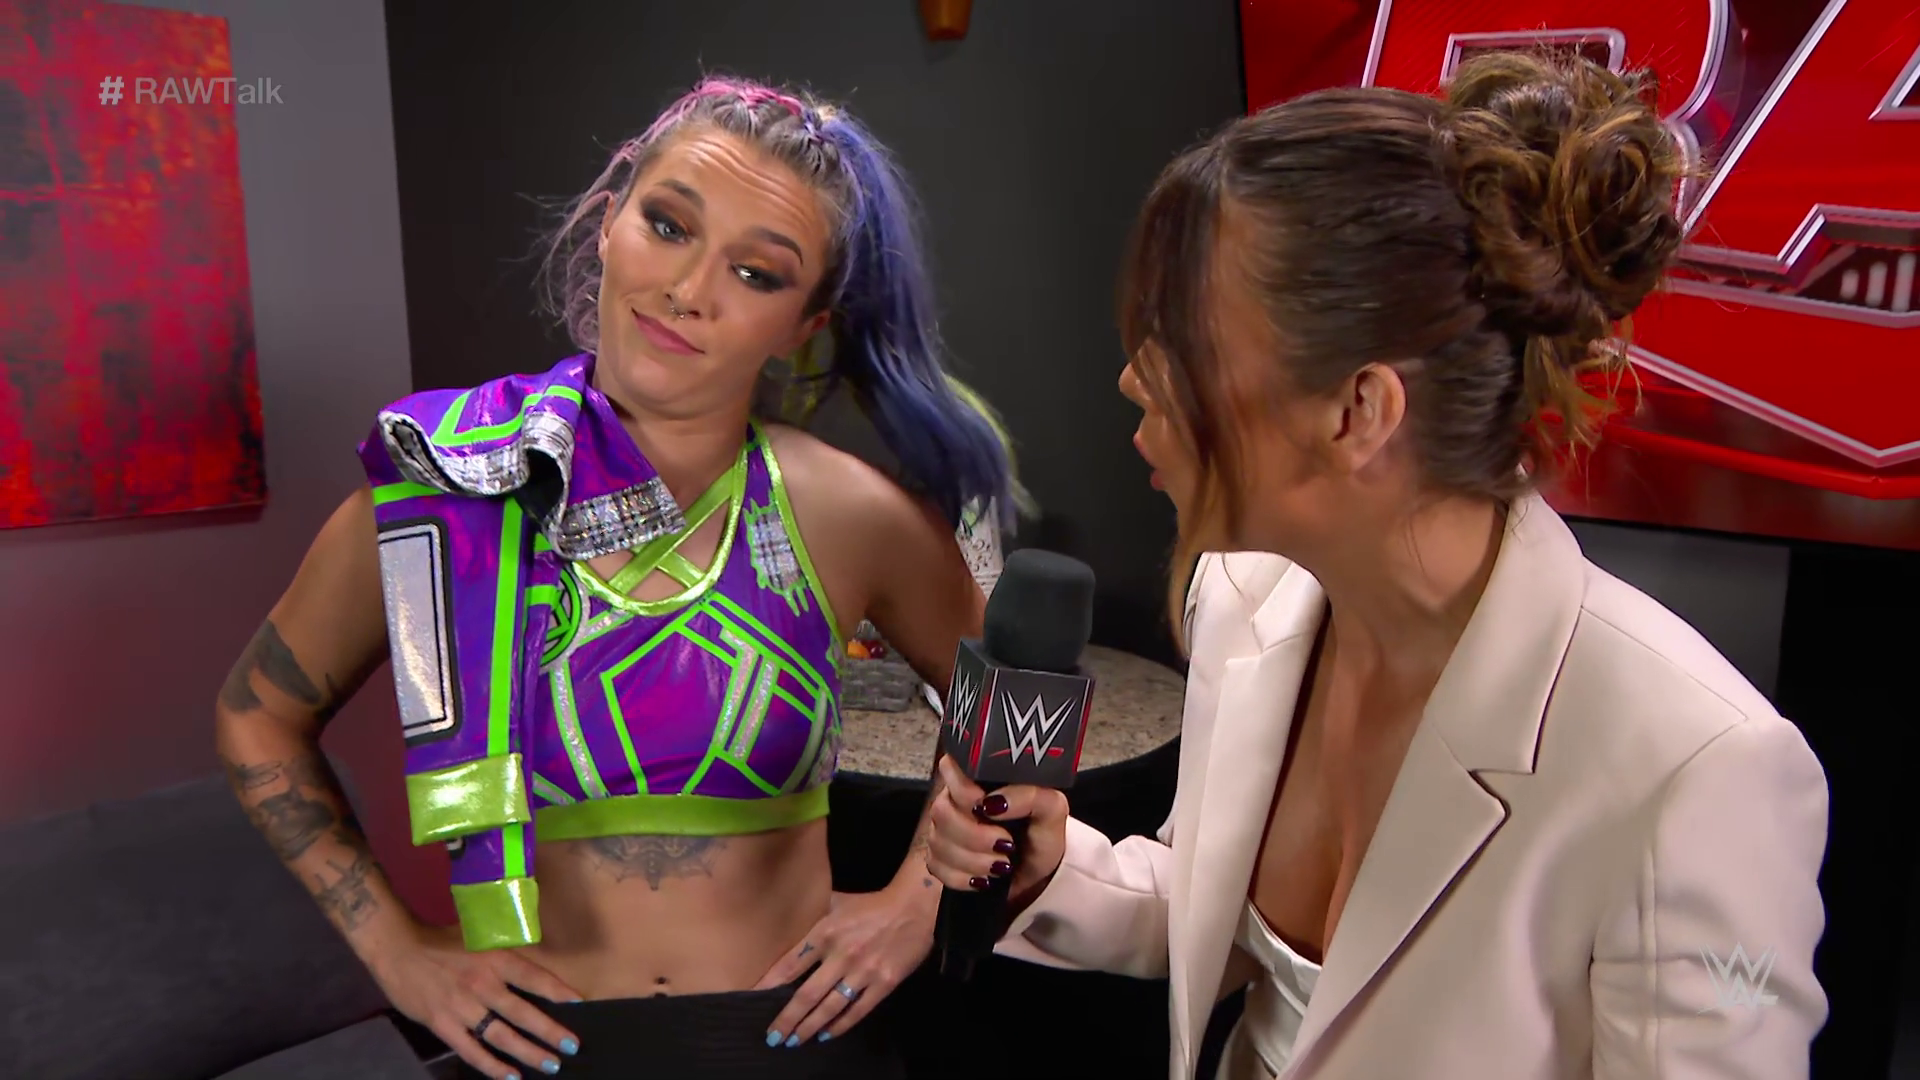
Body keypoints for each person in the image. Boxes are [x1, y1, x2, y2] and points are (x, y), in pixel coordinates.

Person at [922, 51, 1828, 1080]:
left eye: (1185, 342)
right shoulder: (1247, 596)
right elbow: (1237, 920)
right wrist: (1058, 872)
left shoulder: (1698, 772)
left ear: (1359, 410)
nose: (1135, 378)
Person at [213, 76, 1022, 1080]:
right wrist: (397, 951)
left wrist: (916, 903)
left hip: (790, 1049)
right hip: (535, 1053)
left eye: (757, 274)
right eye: (668, 225)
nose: (689, 289)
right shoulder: (448, 487)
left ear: (804, 323)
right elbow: (257, 715)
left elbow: (1018, 704)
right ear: (607, 223)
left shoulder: (848, 514)